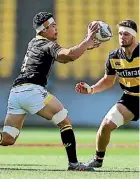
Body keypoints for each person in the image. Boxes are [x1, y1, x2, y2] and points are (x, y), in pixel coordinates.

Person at [0, 12, 101, 171]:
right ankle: (74, 164)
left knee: (7, 138)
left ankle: (74, 164)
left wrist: (83, 47)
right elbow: (69, 56)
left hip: (16, 93)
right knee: (64, 120)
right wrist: (86, 41)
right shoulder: (47, 44)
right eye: (53, 26)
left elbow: (66, 56)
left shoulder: (34, 42)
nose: (56, 29)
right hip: (32, 91)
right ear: (43, 29)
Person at [75, 19, 139, 168]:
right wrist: (91, 89)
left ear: (134, 36)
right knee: (106, 125)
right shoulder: (114, 57)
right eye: (121, 34)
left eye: (127, 34)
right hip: (130, 99)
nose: (123, 37)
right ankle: (98, 160)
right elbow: (108, 81)